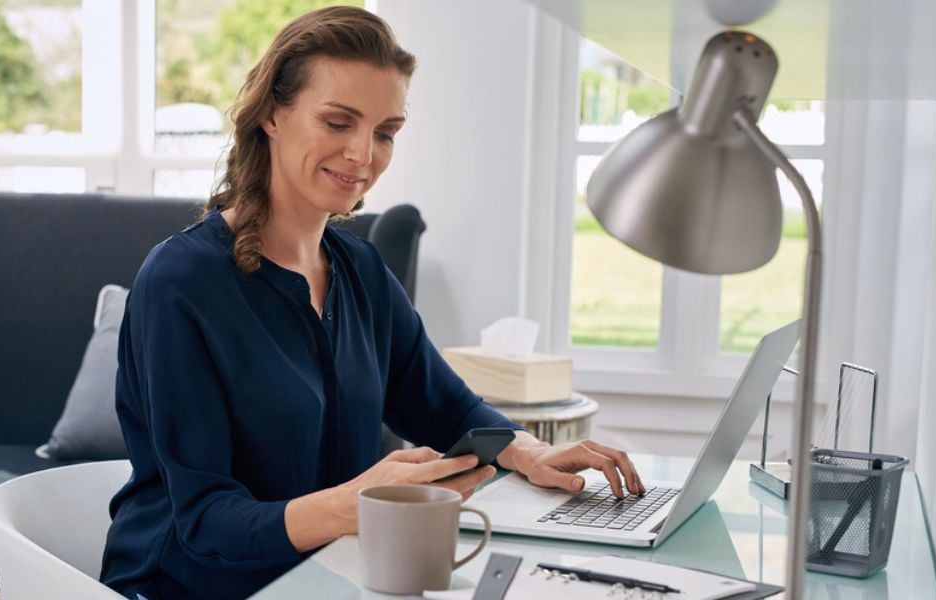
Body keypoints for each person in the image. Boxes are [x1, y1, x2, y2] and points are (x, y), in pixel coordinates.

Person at [99, 6, 644, 599]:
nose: (364, 154)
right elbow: (205, 524)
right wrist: (354, 504)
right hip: (188, 585)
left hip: (332, 577)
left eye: (385, 132)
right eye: (338, 122)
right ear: (272, 117)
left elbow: (447, 407)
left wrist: (534, 453)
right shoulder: (182, 281)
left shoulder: (360, 269)